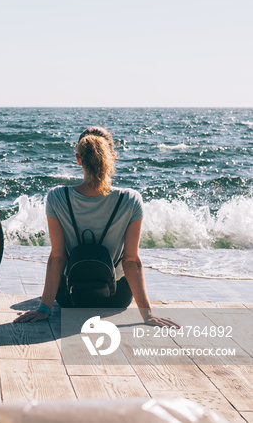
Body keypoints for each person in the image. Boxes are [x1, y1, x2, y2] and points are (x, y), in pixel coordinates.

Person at [15, 127, 178, 327]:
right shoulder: (130, 199)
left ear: (78, 159)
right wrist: (148, 315)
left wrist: (44, 308)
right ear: (112, 157)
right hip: (115, 298)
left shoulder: (57, 197)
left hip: (70, 298)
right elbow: (131, 261)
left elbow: (57, 257)